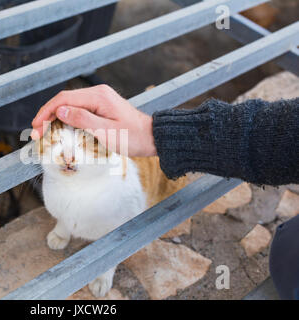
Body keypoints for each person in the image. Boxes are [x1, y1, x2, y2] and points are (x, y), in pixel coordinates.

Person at [31, 84, 299, 299]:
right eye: (55, 144)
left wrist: (106, 266)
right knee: (62, 216)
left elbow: (125, 221)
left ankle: (105, 267)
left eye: (83, 147)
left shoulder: (113, 183)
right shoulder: (54, 180)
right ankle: (63, 228)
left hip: (126, 193)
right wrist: (152, 133)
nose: (67, 158)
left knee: (113, 228)